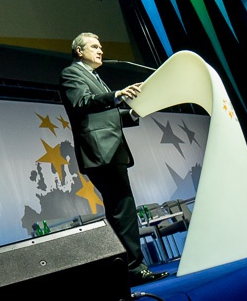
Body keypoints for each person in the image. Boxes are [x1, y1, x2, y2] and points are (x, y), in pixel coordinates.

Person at [59, 32, 169, 287]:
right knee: (122, 210)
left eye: (101, 47)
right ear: (79, 51)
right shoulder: (71, 73)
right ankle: (132, 269)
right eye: (94, 47)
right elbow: (82, 103)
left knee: (122, 211)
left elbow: (106, 115)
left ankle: (126, 270)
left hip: (111, 151)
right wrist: (118, 94)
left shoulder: (95, 77)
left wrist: (133, 113)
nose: (100, 51)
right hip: (101, 152)